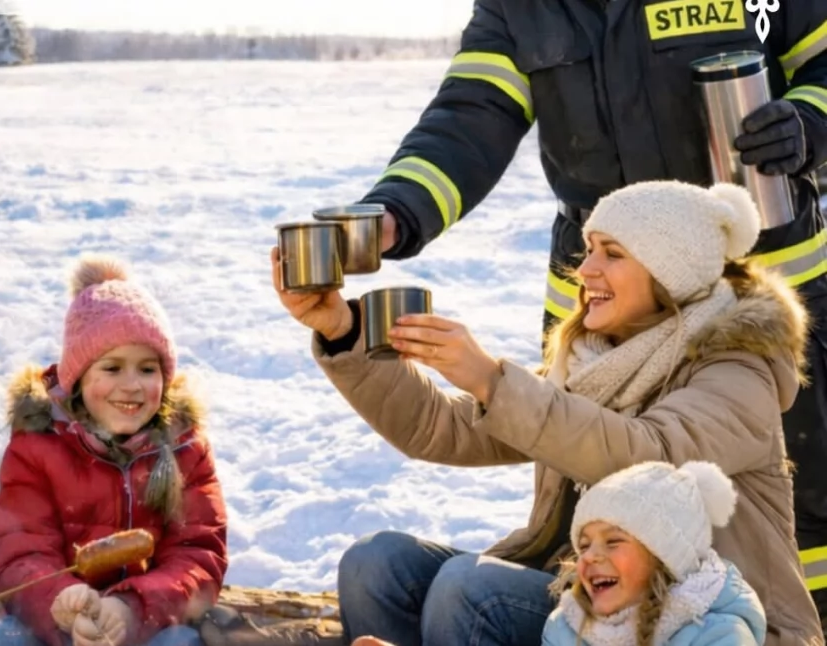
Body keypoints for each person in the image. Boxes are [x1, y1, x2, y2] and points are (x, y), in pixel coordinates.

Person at [354, 0, 827, 620]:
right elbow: (471, 115)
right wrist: (397, 210)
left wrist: (808, 121)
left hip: (748, 288)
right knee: (601, 501)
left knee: (792, 513)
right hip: (603, 294)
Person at [274, 180, 823, 645]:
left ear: (668, 272)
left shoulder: (738, 369)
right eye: (587, 249)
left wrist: (492, 380)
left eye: (612, 253)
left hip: (701, 623)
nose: (584, 270)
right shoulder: (596, 363)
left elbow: (649, 459)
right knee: (377, 564)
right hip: (590, 598)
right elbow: (441, 429)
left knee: (471, 589)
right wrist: (341, 329)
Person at [0, 255, 228, 646]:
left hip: (149, 622)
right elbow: (18, 552)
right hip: (58, 625)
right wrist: (59, 604)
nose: (131, 385)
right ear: (78, 379)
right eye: (112, 369)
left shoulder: (185, 446)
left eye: (147, 370)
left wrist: (132, 609)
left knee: (182, 641)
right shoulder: (38, 443)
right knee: (0, 638)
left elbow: (197, 554)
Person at [542, 461, 764, 645]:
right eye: (584, 546)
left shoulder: (719, 635)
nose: (590, 556)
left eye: (613, 541)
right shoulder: (566, 627)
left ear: (664, 557)